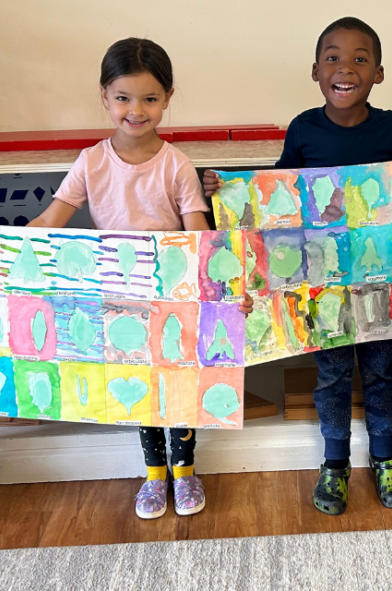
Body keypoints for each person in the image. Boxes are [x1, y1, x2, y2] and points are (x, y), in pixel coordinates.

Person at [205, 17, 392, 515]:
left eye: (359, 58)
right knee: (331, 376)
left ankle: (385, 456)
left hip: (382, 284)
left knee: (382, 374)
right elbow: (277, 194)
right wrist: (225, 187)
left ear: (378, 73)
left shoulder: (389, 128)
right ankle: (334, 462)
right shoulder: (304, 129)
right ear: (315, 71)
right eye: (332, 57)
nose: (345, 67)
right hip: (321, 285)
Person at [20, 37, 251, 519]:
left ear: (167, 98)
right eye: (123, 98)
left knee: (180, 385)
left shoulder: (177, 165)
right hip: (120, 296)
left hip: (175, 297)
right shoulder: (92, 161)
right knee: (140, 385)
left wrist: (226, 289)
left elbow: (200, 238)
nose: (135, 110)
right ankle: (153, 474)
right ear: (104, 96)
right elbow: (50, 221)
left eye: (149, 98)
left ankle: (185, 472)